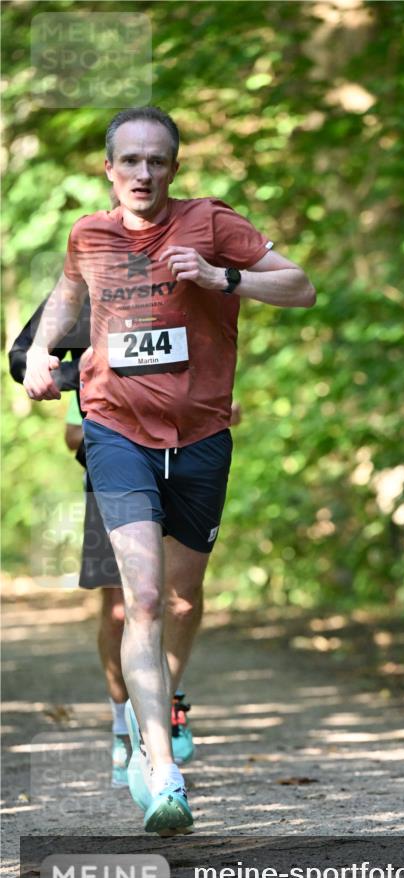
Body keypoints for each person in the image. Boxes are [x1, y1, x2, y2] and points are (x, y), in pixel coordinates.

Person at [23, 105, 316, 835]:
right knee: (139, 599)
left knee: (182, 600)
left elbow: (300, 286)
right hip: (114, 431)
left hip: (201, 437)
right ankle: (160, 768)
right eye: (130, 161)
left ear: (174, 168)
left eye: (157, 161)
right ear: (109, 168)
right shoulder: (88, 234)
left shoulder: (212, 224)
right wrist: (36, 352)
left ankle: (163, 703)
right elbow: (68, 292)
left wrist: (223, 280)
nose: (143, 173)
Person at [9, 292, 197, 786]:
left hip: (180, 466)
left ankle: (158, 715)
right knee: (120, 611)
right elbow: (21, 357)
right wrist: (84, 376)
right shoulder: (85, 296)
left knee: (178, 603)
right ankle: (122, 721)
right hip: (110, 471)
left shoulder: (180, 285)